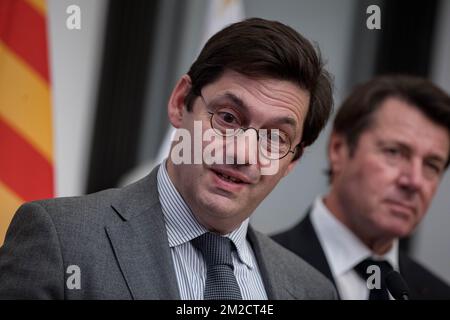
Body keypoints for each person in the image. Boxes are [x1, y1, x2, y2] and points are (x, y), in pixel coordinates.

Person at [0, 18, 337, 299]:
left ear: (292, 161)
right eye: (228, 118)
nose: (242, 153)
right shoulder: (61, 241)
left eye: (274, 138)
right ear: (180, 102)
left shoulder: (313, 291)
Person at [273, 75, 450, 300]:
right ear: (338, 149)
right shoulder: (257, 272)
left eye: (432, 165)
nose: (414, 181)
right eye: (394, 152)